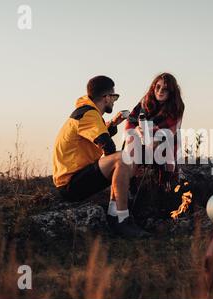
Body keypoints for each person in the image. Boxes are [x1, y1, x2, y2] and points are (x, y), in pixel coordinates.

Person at [52, 75, 150, 238]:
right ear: (106, 97)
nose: (114, 101)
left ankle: (115, 213)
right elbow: (106, 144)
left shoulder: (87, 112)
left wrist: (113, 123)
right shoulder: (88, 114)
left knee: (121, 161)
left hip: (76, 177)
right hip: (71, 184)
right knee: (122, 159)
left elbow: (95, 133)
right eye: (114, 97)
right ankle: (121, 218)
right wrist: (125, 172)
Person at [123, 73, 185, 189]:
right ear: (153, 87)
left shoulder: (177, 106)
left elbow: (171, 130)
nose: (160, 91)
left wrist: (152, 133)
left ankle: (166, 183)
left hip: (165, 142)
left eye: (165, 89)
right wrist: (137, 129)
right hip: (142, 140)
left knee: (162, 145)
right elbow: (131, 121)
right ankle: (129, 184)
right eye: (158, 87)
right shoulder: (144, 102)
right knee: (131, 139)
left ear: (171, 92)